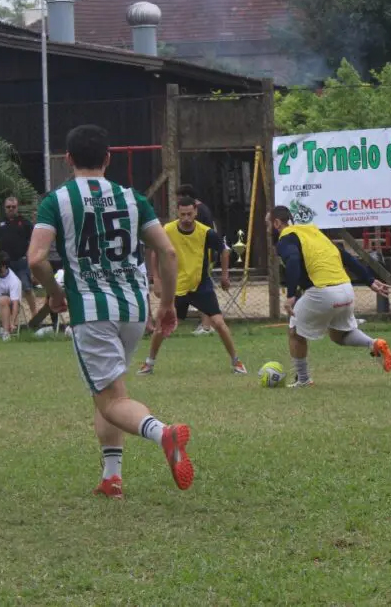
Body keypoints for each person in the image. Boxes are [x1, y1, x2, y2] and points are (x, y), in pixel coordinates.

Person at [27, 123, 193, 498]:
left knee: (112, 399)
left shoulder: (58, 199)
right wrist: (166, 304)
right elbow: (167, 252)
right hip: (133, 309)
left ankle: (162, 434)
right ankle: (111, 477)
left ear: (67, 160)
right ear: (108, 159)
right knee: (108, 392)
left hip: (91, 309)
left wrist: (54, 293)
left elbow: (36, 258)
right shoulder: (133, 198)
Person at [268, 205, 391, 388]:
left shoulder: (285, 239)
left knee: (295, 333)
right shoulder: (313, 232)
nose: (266, 229)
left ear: (277, 223)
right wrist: (369, 280)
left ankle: (303, 379)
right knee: (338, 335)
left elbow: (293, 260)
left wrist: (290, 295)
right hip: (346, 289)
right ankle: (373, 343)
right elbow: (344, 256)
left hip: (322, 292)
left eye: (267, 224)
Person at [138, 198, 247, 375]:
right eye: (183, 215)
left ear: (196, 212)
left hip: (200, 285)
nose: (186, 218)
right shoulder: (168, 230)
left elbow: (224, 250)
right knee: (162, 325)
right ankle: (149, 364)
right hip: (176, 286)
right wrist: (156, 279)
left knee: (219, 323)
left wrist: (225, 276)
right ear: (177, 213)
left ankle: (237, 362)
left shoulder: (206, 233)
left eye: (190, 214)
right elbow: (156, 252)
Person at [177, 183, 217, 336]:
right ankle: (205, 324)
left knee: (202, 290)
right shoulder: (202, 209)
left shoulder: (199, 212)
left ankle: (207, 326)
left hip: (202, 256)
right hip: (199, 255)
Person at [0, 197, 38, 316]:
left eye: (13, 207)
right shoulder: (0, 223)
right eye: (8, 207)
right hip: (5, 264)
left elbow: (33, 240)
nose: (11, 209)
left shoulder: (24, 222)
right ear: (5, 208)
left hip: (21, 261)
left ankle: (35, 315)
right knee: (5, 291)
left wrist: (29, 254)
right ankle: (7, 317)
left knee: (27, 288)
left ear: (17, 207)